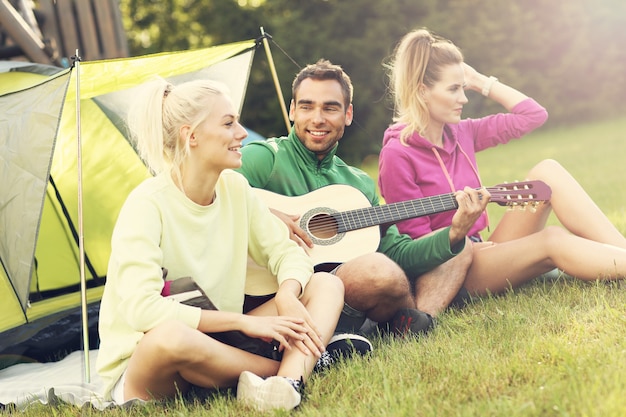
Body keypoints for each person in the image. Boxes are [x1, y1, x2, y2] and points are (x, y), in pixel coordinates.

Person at [96, 78, 345, 412]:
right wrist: (243, 322)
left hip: (219, 347)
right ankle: (296, 370)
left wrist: (287, 293)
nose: (242, 133)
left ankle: (284, 386)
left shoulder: (235, 189)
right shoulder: (147, 204)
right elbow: (142, 310)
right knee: (170, 336)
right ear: (191, 135)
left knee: (325, 284)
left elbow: (285, 253)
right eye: (229, 123)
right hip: (149, 365)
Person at [235, 59, 488, 339]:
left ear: (348, 114)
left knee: (398, 265)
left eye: (330, 108)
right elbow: (205, 193)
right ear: (293, 111)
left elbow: (398, 255)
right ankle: (398, 321)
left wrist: (454, 232)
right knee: (377, 271)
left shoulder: (357, 184)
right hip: (267, 294)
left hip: (342, 289)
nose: (317, 119)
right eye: (307, 106)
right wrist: (269, 215)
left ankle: (409, 321)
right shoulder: (263, 158)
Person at [378, 28, 626, 297]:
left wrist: (479, 80)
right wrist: (460, 236)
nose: (464, 98)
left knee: (547, 171)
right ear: (422, 92)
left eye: (463, 87)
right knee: (552, 239)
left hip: (483, 252)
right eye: (454, 89)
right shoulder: (397, 155)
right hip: (449, 271)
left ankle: (620, 252)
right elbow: (415, 250)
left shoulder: (462, 132)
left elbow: (533, 115)